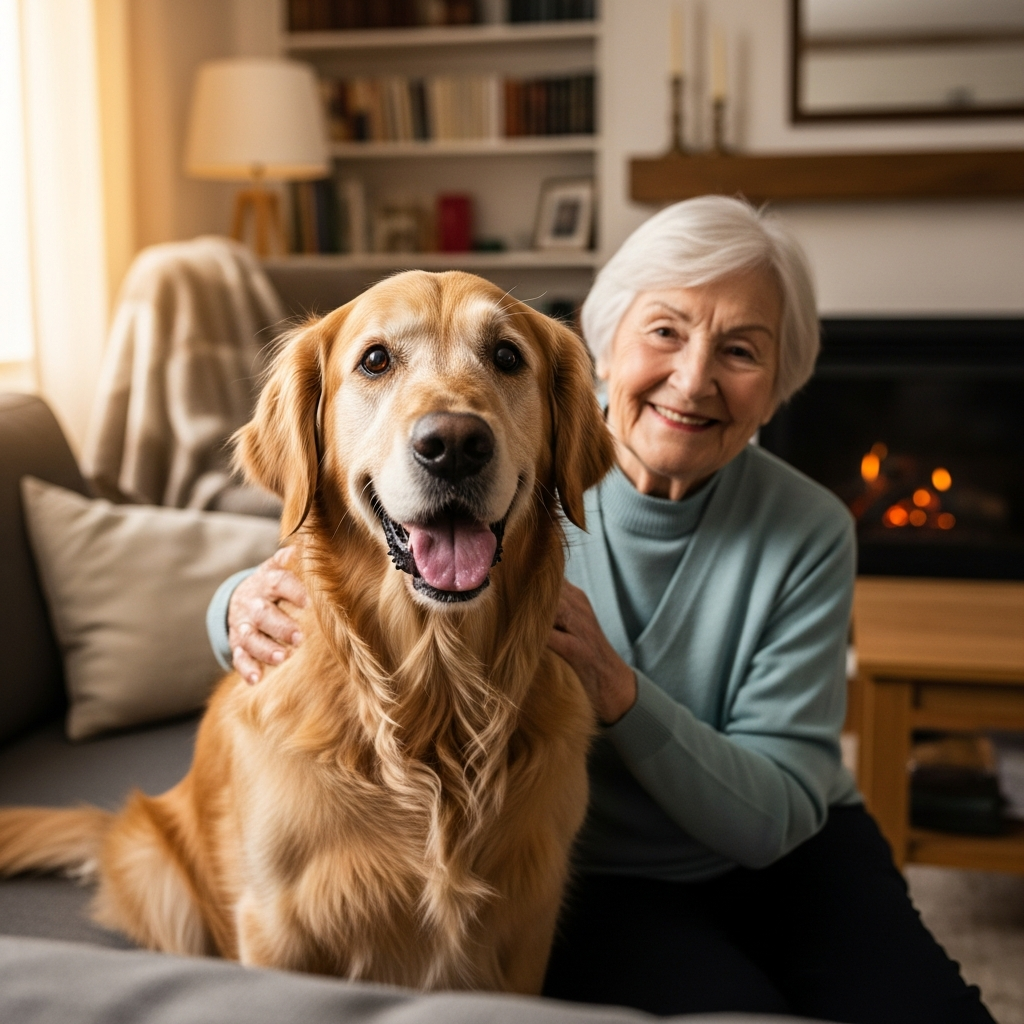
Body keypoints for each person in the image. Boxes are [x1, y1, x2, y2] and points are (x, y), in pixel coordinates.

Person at [207, 197, 994, 1023]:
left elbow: (781, 814)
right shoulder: (517, 499)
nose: (694, 378)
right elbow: (332, 559)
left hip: (792, 850)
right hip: (613, 876)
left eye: (741, 350)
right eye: (665, 331)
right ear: (607, 342)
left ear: (779, 385)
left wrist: (616, 687)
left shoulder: (809, 530)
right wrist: (232, 607)